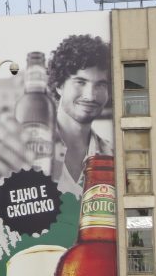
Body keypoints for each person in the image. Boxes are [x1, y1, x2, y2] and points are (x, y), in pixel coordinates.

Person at [47, 34, 113, 194]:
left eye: (101, 84)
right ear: (59, 85)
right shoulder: (27, 149)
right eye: (80, 82)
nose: (90, 96)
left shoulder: (113, 156)